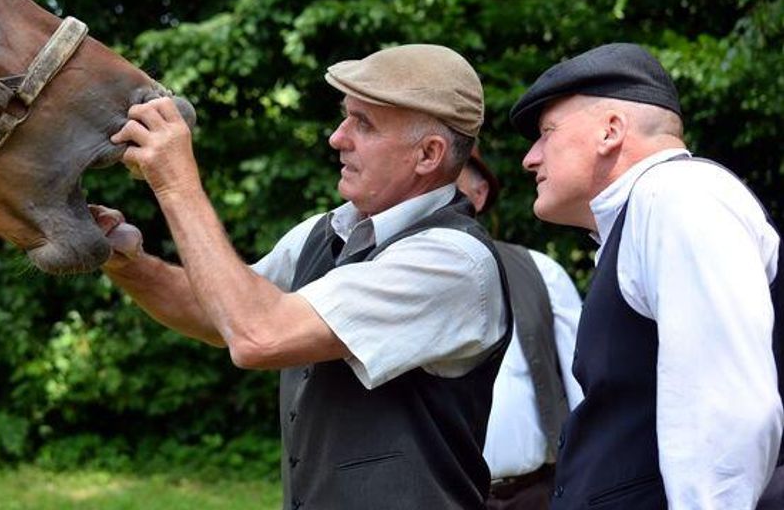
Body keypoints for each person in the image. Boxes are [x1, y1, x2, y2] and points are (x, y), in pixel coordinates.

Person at [92, 44, 511, 509]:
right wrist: (126, 261)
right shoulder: (327, 230)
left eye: (363, 124)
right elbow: (218, 314)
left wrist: (175, 181)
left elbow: (258, 335)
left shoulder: (451, 261)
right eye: (345, 117)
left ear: (428, 154)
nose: (337, 137)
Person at [508, 42, 783, 509]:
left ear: (609, 131)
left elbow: (721, 409)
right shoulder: (654, 209)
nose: (529, 158)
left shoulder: (678, 196)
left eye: (546, 132)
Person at [456, 148, 584, 510]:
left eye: (450, 184)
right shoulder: (388, 278)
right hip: (438, 496)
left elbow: (585, 392)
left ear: (478, 195)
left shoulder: (540, 271)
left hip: (535, 497)